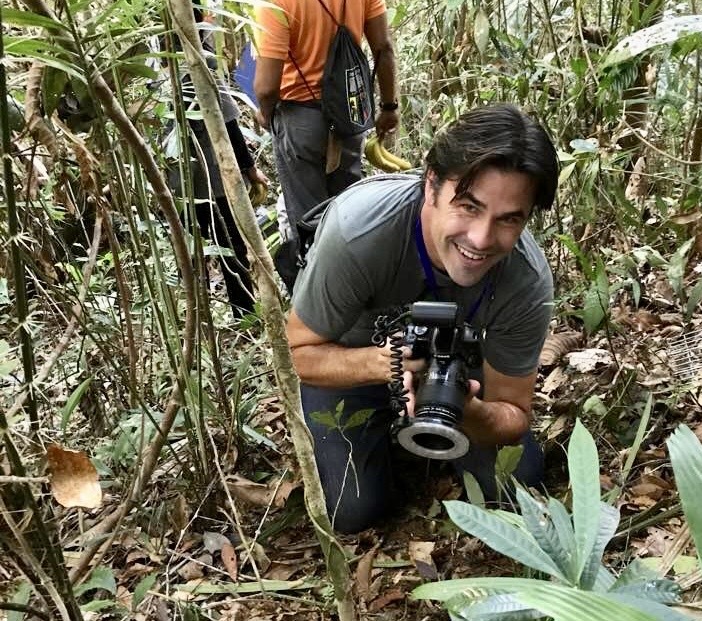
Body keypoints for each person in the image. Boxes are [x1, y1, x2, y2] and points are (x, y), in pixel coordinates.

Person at [285, 104, 559, 533]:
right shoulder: (360, 233)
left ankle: (429, 423)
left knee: (514, 483)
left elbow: (513, 411)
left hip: (456, 370)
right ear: (431, 185)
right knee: (352, 511)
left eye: (509, 220)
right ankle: (381, 440)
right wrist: (384, 364)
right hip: (352, 358)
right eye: (468, 206)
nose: (482, 239)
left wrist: (469, 411)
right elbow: (297, 354)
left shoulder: (525, 279)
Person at [251, 0, 400, 243]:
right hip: (350, 111)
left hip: (301, 117)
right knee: (346, 207)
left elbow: (267, 88)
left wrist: (265, 114)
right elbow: (383, 47)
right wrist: (388, 106)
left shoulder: (274, 3)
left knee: (309, 219)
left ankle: (314, 273)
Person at [166, 11, 268, 319]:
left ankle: (197, 315)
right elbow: (229, 123)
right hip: (212, 175)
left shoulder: (162, 64)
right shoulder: (201, 60)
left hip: (179, 178)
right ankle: (244, 312)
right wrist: (250, 169)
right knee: (231, 246)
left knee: (194, 248)